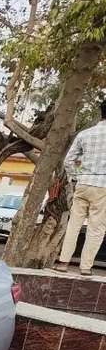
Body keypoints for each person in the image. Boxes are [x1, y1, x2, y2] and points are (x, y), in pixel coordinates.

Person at [55, 99, 106, 276]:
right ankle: (85, 267)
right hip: (103, 188)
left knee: (74, 224)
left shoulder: (85, 134)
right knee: (96, 228)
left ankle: (63, 262)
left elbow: (69, 161)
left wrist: (77, 176)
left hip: (83, 184)